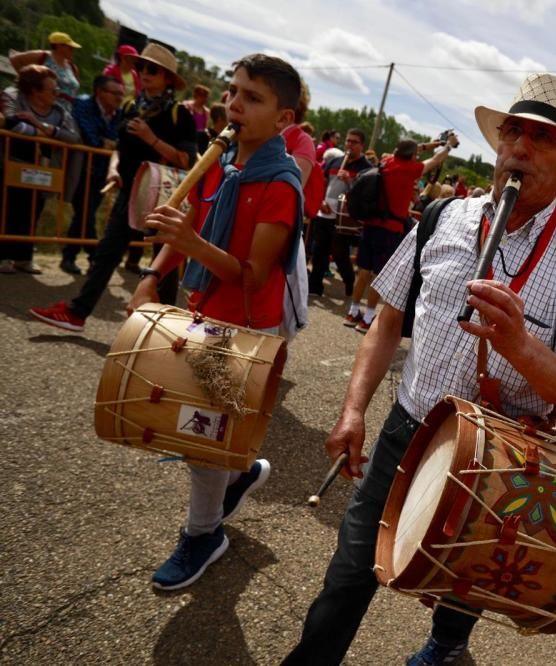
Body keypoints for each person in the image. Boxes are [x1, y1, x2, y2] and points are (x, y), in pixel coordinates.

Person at [285, 71, 556, 666]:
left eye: (540, 138)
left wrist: (519, 345)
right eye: (512, 132)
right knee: (350, 571)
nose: (519, 147)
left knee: (469, 579)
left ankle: (446, 645)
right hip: (409, 430)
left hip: (505, 452)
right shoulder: (444, 217)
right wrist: (354, 409)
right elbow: (387, 321)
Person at [124, 53, 304, 589]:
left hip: (249, 329)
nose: (233, 105)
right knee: (203, 430)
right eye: (232, 92)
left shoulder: (281, 184)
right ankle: (242, 471)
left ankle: (204, 535)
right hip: (203, 313)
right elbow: (191, 225)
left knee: (201, 437)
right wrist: (154, 275)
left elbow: (251, 276)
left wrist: (191, 245)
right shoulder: (221, 165)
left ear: (283, 120)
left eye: (252, 98)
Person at [29, 43, 196, 331]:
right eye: (140, 67)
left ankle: (167, 330)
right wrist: (112, 170)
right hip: (129, 193)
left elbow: (186, 160)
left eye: (152, 69)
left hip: (164, 197)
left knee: (163, 266)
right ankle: (77, 312)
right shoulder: (131, 106)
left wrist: (151, 138)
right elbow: (119, 148)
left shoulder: (179, 114)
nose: (144, 73)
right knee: (107, 254)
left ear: (168, 77)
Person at [343, 135, 457, 332]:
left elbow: (413, 149)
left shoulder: (387, 161)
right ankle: (368, 317)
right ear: (412, 155)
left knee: (363, 271)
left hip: (371, 225)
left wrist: (434, 143)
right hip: (391, 229)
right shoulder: (410, 170)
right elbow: (436, 160)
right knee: (378, 274)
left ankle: (352, 312)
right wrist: (448, 146)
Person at [0, 65, 81, 274]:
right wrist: (48, 135)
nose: (58, 94)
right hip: (11, 161)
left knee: (34, 209)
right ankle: (4, 256)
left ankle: (24, 257)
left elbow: (73, 137)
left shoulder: (60, 111)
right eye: (52, 90)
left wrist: (39, 126)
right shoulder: (12, 97)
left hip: (43, 168)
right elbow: (11, 124)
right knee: (9, 209)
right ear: (35, 91)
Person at [60, 75, 125, 275]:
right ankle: (94, 257)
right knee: (84, 213)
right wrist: (107, 142)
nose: (119, 98)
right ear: (100, 92)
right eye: (115, 93)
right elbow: (91, 138)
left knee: (84, 214)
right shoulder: (82, 105)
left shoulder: (119, 114)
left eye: (121, 94)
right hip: (80, 169)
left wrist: (108, 142)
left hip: (102, 172)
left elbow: (118, 139)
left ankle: (69, 257)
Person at [309, 127, 370, 297]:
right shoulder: (335, 161)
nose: (349, 145)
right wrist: (320, 200)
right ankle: (315, 287)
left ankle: (349, 280)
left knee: (339, 253)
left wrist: (350, 181)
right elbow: (320, 183)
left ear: (362, 145)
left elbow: (364, 194)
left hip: (345, 218)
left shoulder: (366, 168)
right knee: (319, 250)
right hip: (325, 212)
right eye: (348, 141)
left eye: (354, 142)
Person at [10, 31, 81, 109]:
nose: (72, 50)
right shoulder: (43, 56)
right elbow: (15, 59)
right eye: (70, 47)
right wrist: (26, 79)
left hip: (64, 111)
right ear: (59, 46)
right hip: (40, 106)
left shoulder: (72, 67)